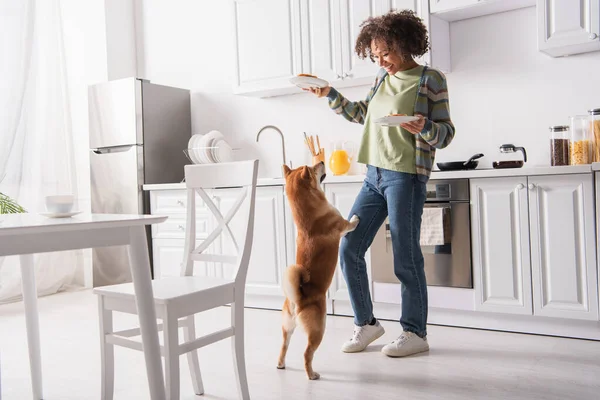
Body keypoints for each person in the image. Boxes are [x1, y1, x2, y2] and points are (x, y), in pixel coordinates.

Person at [305, 10, 455, 357]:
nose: (381, 60)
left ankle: (415, 332)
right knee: (348, 246)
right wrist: (330, 93)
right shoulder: (381, 79)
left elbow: (446, 133)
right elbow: (362, 114)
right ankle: (367, 324)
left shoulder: (430, 79)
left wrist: (424, 128)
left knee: (405, 255)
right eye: (375, 56)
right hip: (373, 174)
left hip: (406, 175)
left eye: (385, 53)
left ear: (404, 44)